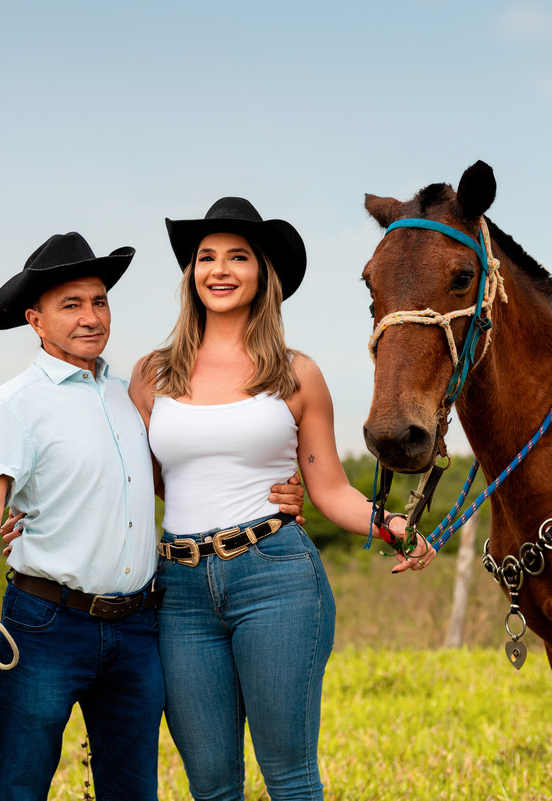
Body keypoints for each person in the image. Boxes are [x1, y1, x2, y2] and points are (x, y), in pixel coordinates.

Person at [0, 231, 305, 801]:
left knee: (132, 789)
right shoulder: (17, 401)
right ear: (36, 320)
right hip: (47, 623)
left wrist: (274, 494)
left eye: (99, 302)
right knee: (18, 784)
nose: (91, 317)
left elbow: (183, 478)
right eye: (70, 305)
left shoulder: (129, 396)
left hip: (137, 627)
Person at [128, 197, 435, 801]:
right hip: (181, 589)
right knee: (211, 785)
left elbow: (331, 490)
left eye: (238, 257)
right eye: (206, 257)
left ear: (262, 273)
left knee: (290, 779)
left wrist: (389, 523)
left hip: (274, 578)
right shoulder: (151, 375)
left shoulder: (296, 374)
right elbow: (145, 483)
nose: (219, 269)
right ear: (190, 274)